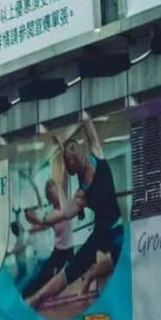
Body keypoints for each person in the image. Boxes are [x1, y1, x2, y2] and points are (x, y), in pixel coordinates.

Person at [25, 113, 124, 309]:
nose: (76, 154)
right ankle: (36, 298)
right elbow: (63, 214)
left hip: (117, 228)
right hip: (100, 233)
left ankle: (90, 276)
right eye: (71, 156)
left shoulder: (97, 154)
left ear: (80, 149)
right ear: (72, 165)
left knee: (119, 262)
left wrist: (80, 110)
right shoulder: (81, 195)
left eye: (75, 148)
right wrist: (40, 220)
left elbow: (88, 125)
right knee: (68, 273)